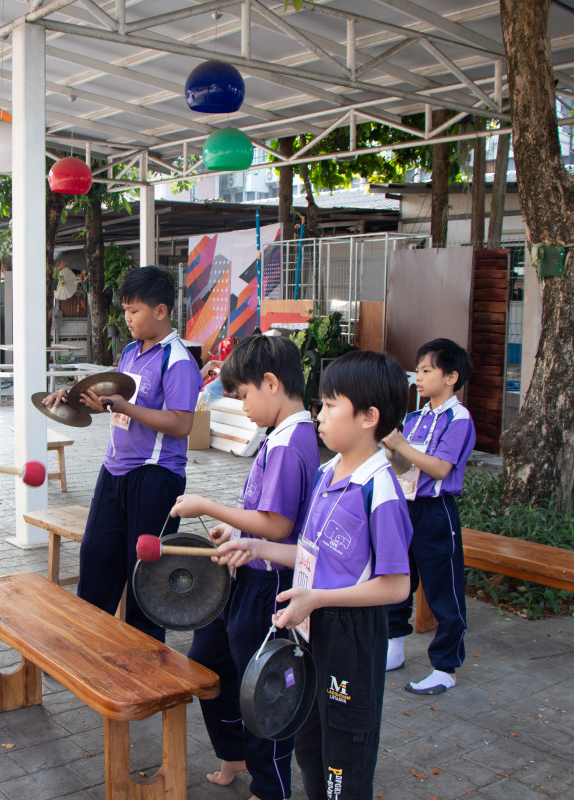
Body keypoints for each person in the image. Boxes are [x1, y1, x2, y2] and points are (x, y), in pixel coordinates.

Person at [215, 349, 412, 800]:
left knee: (343, 754)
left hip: (350, 633)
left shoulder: (380, 490)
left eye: (330, 405)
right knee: (308, 741)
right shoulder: (327, 473)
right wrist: (256, 546)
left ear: (369, 417)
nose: (318, 415)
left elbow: (396, 585)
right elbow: (309, 555)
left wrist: (320, 598)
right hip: (310, 624)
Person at [169, 335, 319, 800]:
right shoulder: (281, 434)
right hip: (247, 573)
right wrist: (235, 529)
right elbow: (262, 514)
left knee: (262, 685)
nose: (243, 406)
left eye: (244, 395)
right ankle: (234, 753)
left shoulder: (291, 441)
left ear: (271, 383)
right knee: (208, 660)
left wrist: (207, 505)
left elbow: (277, 525)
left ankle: (271, 788)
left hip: (269, 583)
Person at [44, 266, 202, 640]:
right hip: (114, 471)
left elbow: (182, 424)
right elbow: (116, 405)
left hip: (155, 477)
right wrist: (71, 399)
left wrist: (125, 406)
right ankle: (89, 645)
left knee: (144, 575)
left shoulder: (178, 360)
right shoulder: (131, 351)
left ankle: (143, 658)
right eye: (126, 310)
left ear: (160, 311)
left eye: (134, 310)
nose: (127, 318)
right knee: (96, 558)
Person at [380, 337, 477, 695]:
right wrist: (391, 451)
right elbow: (404, 468)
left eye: (426, 370)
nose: (417, 377)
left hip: (436, 513)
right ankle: (393, 647)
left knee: (443, 589)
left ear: (451, 377)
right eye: (417, 370)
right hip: (405, 508)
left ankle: (445, 667)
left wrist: (401, 446)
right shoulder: (414, 417)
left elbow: (438, 468)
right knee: (398, 579)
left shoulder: (459, 419)